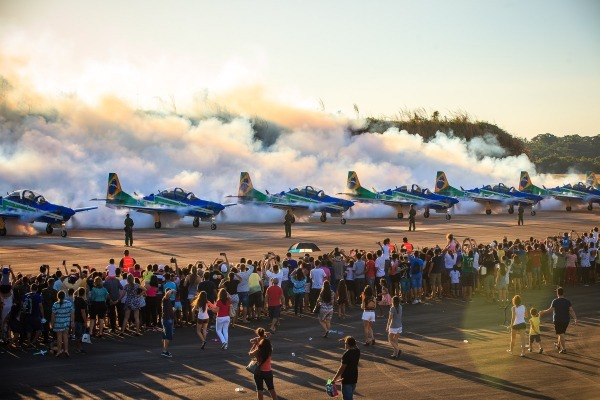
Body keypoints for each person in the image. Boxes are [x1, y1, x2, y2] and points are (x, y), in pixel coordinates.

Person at [539, 287, 577, 354]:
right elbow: (571, 310)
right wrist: (575, 318)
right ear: (563, 293)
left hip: (558, 320)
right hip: (566, 320)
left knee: (561, 333)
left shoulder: (555, 301)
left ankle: (564, 349)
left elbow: (550, 310)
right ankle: (558, 344)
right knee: (561, 332)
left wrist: (543, 312)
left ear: (557, 293)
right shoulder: (567, 301)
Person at [331, 336, 360, 400]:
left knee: (347, 398)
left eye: (345, 343)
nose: (345, 345)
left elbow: (342, 368)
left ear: (348, 344)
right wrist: (345, 339)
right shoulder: (357, 351)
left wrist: (334, 379)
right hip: (354, 377)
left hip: (346, 379)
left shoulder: (346, 354)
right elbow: (355, 345)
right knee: (350, 396)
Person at [51, 290, 74, 357]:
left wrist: (52, 323)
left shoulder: (55, 304)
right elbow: (72, 312)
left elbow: (53, 315)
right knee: (65, 336)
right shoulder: (69, 303)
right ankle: (66, 350)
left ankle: (59, 350)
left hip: (58, 322)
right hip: (66, 322)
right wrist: (72, 321)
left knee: (59, 337)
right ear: (64, 296)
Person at [161, 289, 174, 357]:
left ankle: (164, 349)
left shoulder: (167, 300)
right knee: (168, 336)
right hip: (167, 320)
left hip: (166, 319)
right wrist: (172, 290)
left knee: (165, 336)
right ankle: (164, 351)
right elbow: (167, 294)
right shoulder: (165, 299)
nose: (172, 294)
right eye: (171, 293)